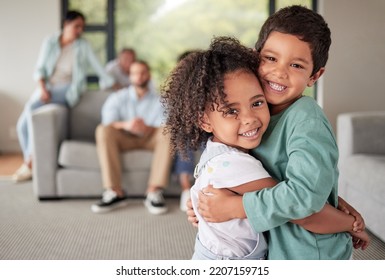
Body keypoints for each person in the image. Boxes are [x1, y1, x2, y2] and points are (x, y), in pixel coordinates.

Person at [161, 36, 369, 260]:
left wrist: (339, 203)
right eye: (232, 111)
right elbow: (302, 209)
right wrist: (352, 225)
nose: (250, 119)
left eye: (257, 103)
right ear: (204, 121)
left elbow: (298, 188)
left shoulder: (220, 149)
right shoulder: (236, 164)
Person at [13, 10, 114, 183]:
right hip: (48, 87)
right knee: (22, 125)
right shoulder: (50, 42)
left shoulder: (83, 46)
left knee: (31, 108)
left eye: (82, 27)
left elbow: (99, 68)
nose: (79, 30)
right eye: (76, 26)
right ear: (66, 25)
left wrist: (113, 84)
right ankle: (30, 161)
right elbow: (40, 69)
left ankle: (29, 164)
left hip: (68, 89)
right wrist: (43, 88)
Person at [91, 60, 173, 215]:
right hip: (124, 138)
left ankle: (153, 192)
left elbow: (163, 124)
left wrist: (146, 127)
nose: (139, 76)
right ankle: (115, 192)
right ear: (130, 76)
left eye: (143, 72)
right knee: (103, 130)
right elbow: (108, 122)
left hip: (150, 138)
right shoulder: (117, 98)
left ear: (149, 75)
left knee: (168, 130)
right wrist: (126, 125)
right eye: (135, 73)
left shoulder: (161, 99)